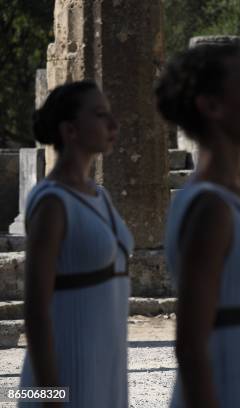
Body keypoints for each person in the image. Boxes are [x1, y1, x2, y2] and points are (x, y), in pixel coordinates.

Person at [156, 44, 240, 408]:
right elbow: (189, 344)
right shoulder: (210, 208)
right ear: (212, 105)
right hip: (227, 386)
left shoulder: (231, 199)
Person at [19, 80, 134, 407]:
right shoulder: (52, 203)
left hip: (107, 376)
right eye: (100, 115)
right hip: (63, 382)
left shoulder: (102, 197)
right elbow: (36, 311)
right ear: (70, 130)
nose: (113, 124)